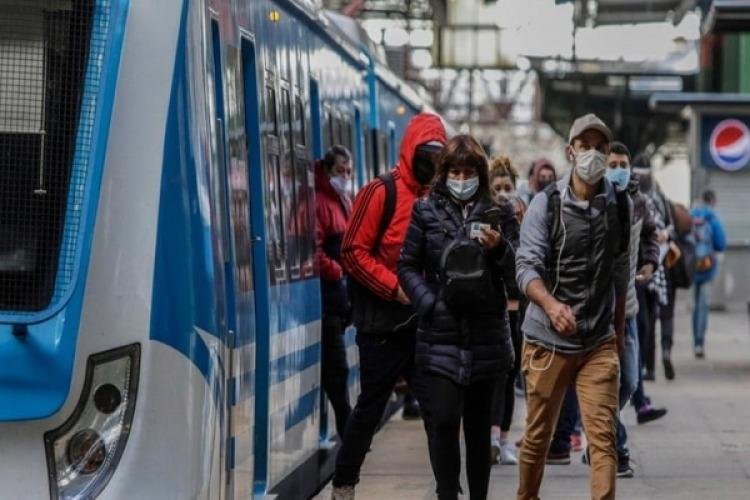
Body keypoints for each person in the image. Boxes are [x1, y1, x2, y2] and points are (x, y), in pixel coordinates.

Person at [331, 113, 447, 500]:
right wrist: (393, 287)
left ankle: (447, 489)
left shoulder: (440, 199)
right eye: (427, 154)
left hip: (424, 325)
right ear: (411, 150)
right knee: (370, 408)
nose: (432, 163)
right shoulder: (380, 192)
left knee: (438, 411)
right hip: (382, 326)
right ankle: (344, 484)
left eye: (439, 156)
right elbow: (352, 250)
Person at [515, 113, 630, 500]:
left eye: (600, 147)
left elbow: (619, 269)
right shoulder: (545, 205)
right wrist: (551, 305)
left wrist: (618, 333)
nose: (593, 154)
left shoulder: (619, 204)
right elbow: (526, 266)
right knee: (538, 438)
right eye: (585, 146)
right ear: (571, 151)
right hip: (547, 342)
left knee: (603, 439)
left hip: (597, 341)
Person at [398, 135, 518, 499]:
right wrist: (428, 303)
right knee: (444, 421)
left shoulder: (499, 213)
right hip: (440, 335)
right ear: (444, 172)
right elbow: (407, 265)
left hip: (486, 336)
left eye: (468, 172)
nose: (462, 179)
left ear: (480, 173)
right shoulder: (425, 211)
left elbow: (518, 274)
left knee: (479, 430)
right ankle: (447, 492)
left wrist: (500, 248)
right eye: (455, 171)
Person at [605, 141, 659, 477]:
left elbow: (651, 236)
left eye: (622, 165)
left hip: (629, 309)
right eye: (612, 165)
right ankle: (614, 445)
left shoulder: (639, 202)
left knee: (629, 379)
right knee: (603, 383)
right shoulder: (593, 201)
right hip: (598, 312)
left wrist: (650, 263)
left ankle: (601, 433)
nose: (618, 171)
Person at [315, 146, 354, 438]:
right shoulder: (319, 203)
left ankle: (347, 427)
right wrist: (337, 271)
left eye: (349, 171)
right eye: (340, 171)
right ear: (328, 170)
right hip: (328, 300)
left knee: (338, 367)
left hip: (340, 302)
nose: (345, 177)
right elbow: (313, 251)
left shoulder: (343, 201)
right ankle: (347, 428)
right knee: (336, 367)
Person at [488, 156, 525, 466]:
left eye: (507, 187)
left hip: (518, 311)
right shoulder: (484, 217)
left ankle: (503, 441)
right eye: (497, 188)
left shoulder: (523, 217)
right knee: (495, 377)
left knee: (511, 376)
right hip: (493, 310)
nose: (502, 193)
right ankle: (491, 438)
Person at [691, 189, 727, 358]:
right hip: (707, 267)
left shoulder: (692, 215)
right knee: (703, 306)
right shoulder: (713, 218)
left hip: (693, 268)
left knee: (695, 305)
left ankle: (695, 341)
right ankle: (700, 343)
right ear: (713, 201)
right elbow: (720, 244)